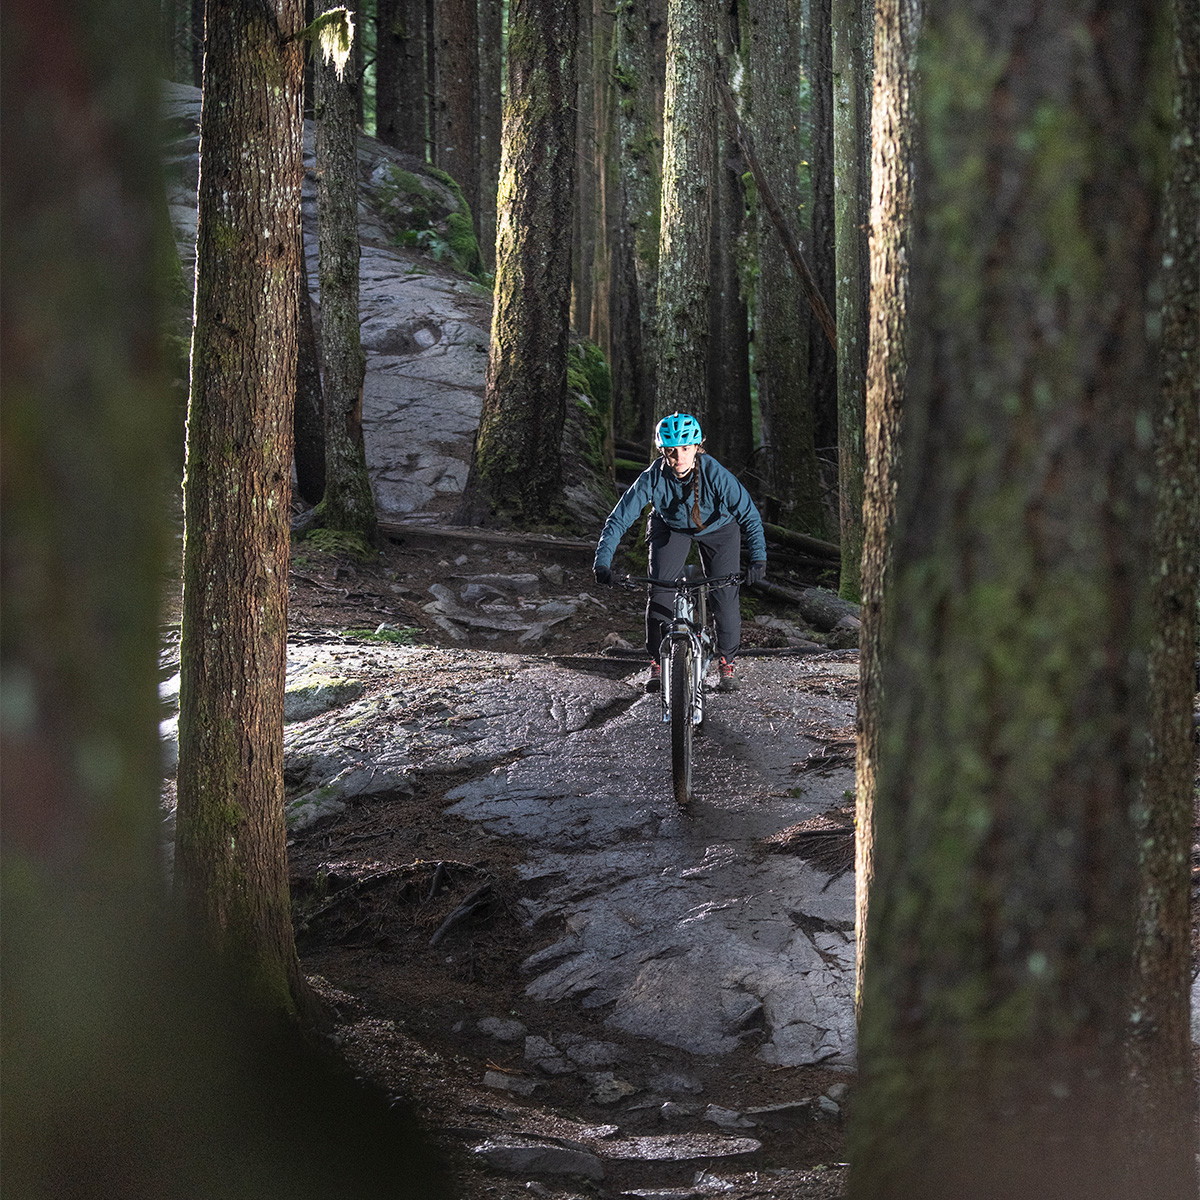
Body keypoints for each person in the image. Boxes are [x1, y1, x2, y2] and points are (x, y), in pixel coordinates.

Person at [593, 412, 767, 693]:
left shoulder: (715, 474)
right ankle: (657, 661)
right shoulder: (653, 477)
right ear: (662, 452)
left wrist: (759, 559)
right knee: (660, 590)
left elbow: (749, 515)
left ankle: (727, 661)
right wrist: (602, 562)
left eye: (686, 449)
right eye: (672, 451)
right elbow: (619, 518)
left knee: (724, 595)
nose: (679, 458)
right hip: (670, 526)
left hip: (719, 528)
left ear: (698, 446)